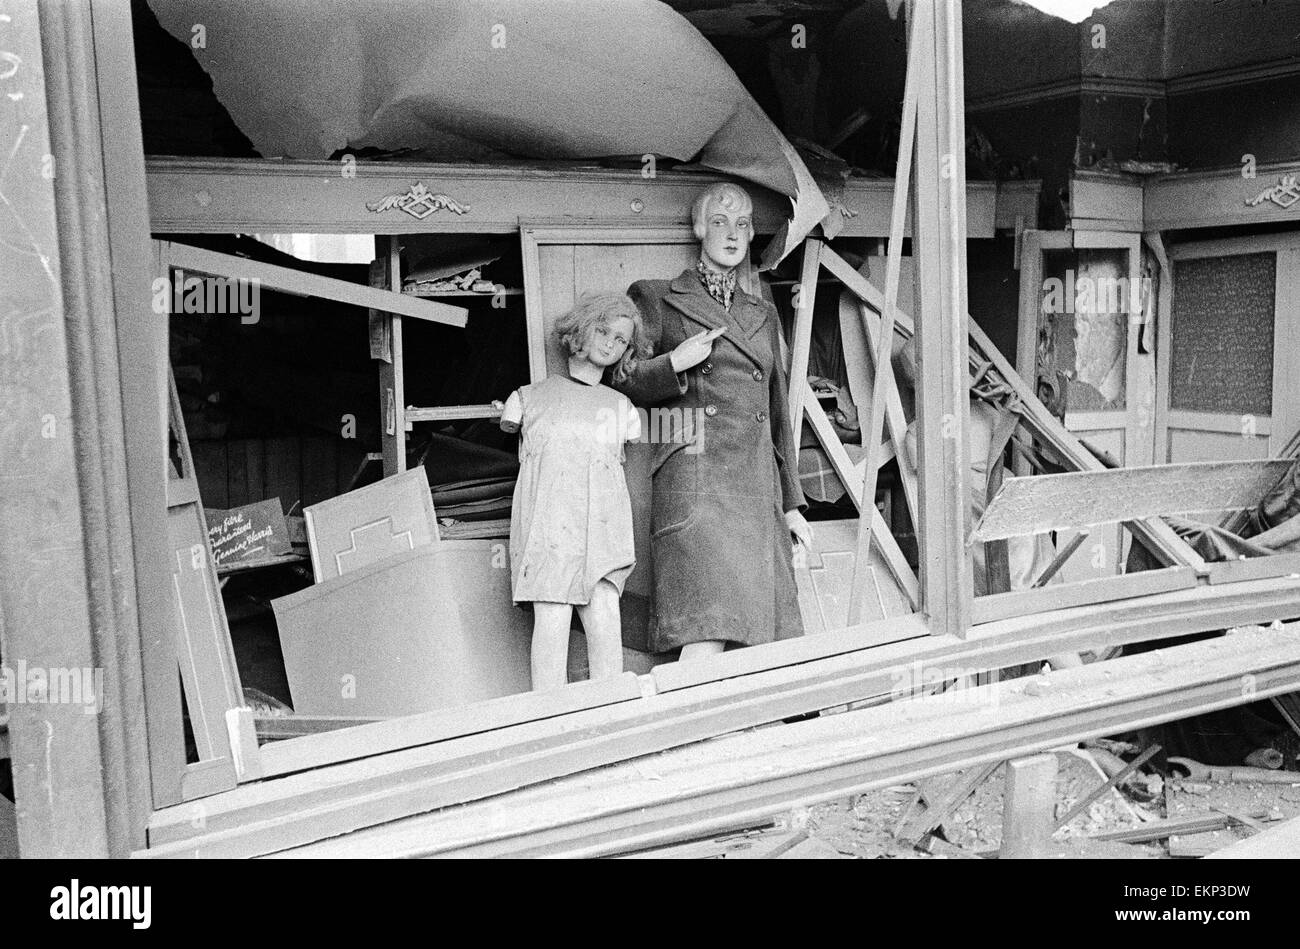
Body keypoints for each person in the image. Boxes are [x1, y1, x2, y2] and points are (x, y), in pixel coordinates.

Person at [616, 182, 812, 660]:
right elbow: (622, 378)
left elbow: (777, 413)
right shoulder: (657, 297)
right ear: (700, 228)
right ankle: (681, 733)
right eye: (720, 222)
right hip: (698, 487)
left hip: (755, 489)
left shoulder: (762, 313)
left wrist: (791, 504)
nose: (732, 234)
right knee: (708, 628)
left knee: (766, 642)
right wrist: (675, 363)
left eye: (742, 224)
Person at [499, 293, 645, 690]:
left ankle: (610, 720)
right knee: (551, 622)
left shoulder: (622, 408)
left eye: (621, 340)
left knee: (604, 623)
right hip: (549, 532)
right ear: (580, 328)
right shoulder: (527, 399)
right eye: (604, 331)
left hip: (602, 535)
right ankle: (550, 725)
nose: (611, 343)